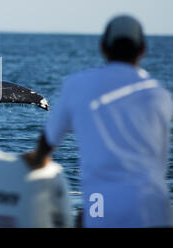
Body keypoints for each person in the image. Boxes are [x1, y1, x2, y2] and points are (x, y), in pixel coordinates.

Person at [24, 15, 172, 228]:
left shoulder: (78, 85)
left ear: (103, 47)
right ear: (143, 50)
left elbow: (47, 144)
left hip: (101, 203)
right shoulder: (160, 95)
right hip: (154, 207)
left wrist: (34, 162)